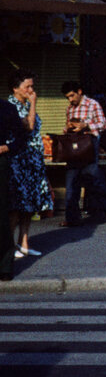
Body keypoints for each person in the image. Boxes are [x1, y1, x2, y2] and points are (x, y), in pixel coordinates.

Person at [8, 71, 53, 258]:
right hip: (19, 162)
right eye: (27, 87)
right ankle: (8, 247)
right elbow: (28, 126)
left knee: (30, 205)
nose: (31, 90)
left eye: (32, 86)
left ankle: (24, 242)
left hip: (33, 161)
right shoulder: (11, 107)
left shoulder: (25, 105)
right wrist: (33, 103)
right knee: (17, 206)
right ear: (16, 88)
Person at [61, 81, 106, 227]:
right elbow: (68, 125)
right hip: (74, 149)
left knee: (93, 178)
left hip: (89, 146)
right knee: (71, 182)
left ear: (79, 91)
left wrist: (86, 125)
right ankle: (72, 218)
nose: (70, 100)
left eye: (72, 95)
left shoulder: (93, 104)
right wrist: (67, 129)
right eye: (68, 97)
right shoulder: (70, 109)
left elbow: (103, 124)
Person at [0, 96, 25, 281]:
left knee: (1, 214)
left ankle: (4, 266)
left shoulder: (6, 108)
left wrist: (7, 147)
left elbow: (21, 137)